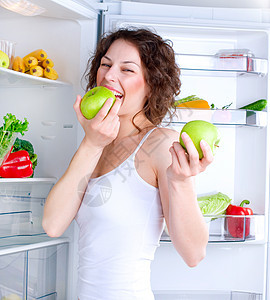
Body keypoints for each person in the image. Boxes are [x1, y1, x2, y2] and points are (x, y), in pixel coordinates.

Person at [42, 27, 213, 300]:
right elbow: (52, 224)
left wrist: (181, 182)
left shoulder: (160, 144)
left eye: (127, 70)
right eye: (105, 65)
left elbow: (194, 254)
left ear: (152, 83)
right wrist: (92, 143)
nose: (109, 76)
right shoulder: (96, 143)